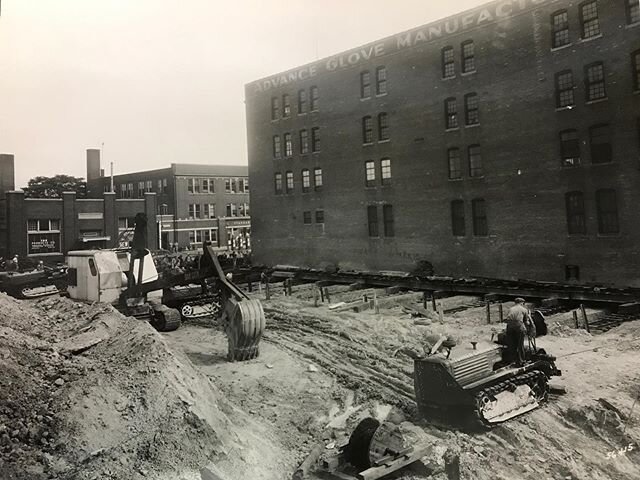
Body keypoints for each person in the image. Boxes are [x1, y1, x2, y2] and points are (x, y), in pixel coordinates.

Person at [505, 297, 532, 366]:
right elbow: (526, 322)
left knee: (511, 344)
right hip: (518, 326)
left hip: (509, 326)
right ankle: (521, 361)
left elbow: (507, 319)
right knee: (520, 344)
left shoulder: (511, 309)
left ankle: (512, 361)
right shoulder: (524, 309)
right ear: (522, 303)